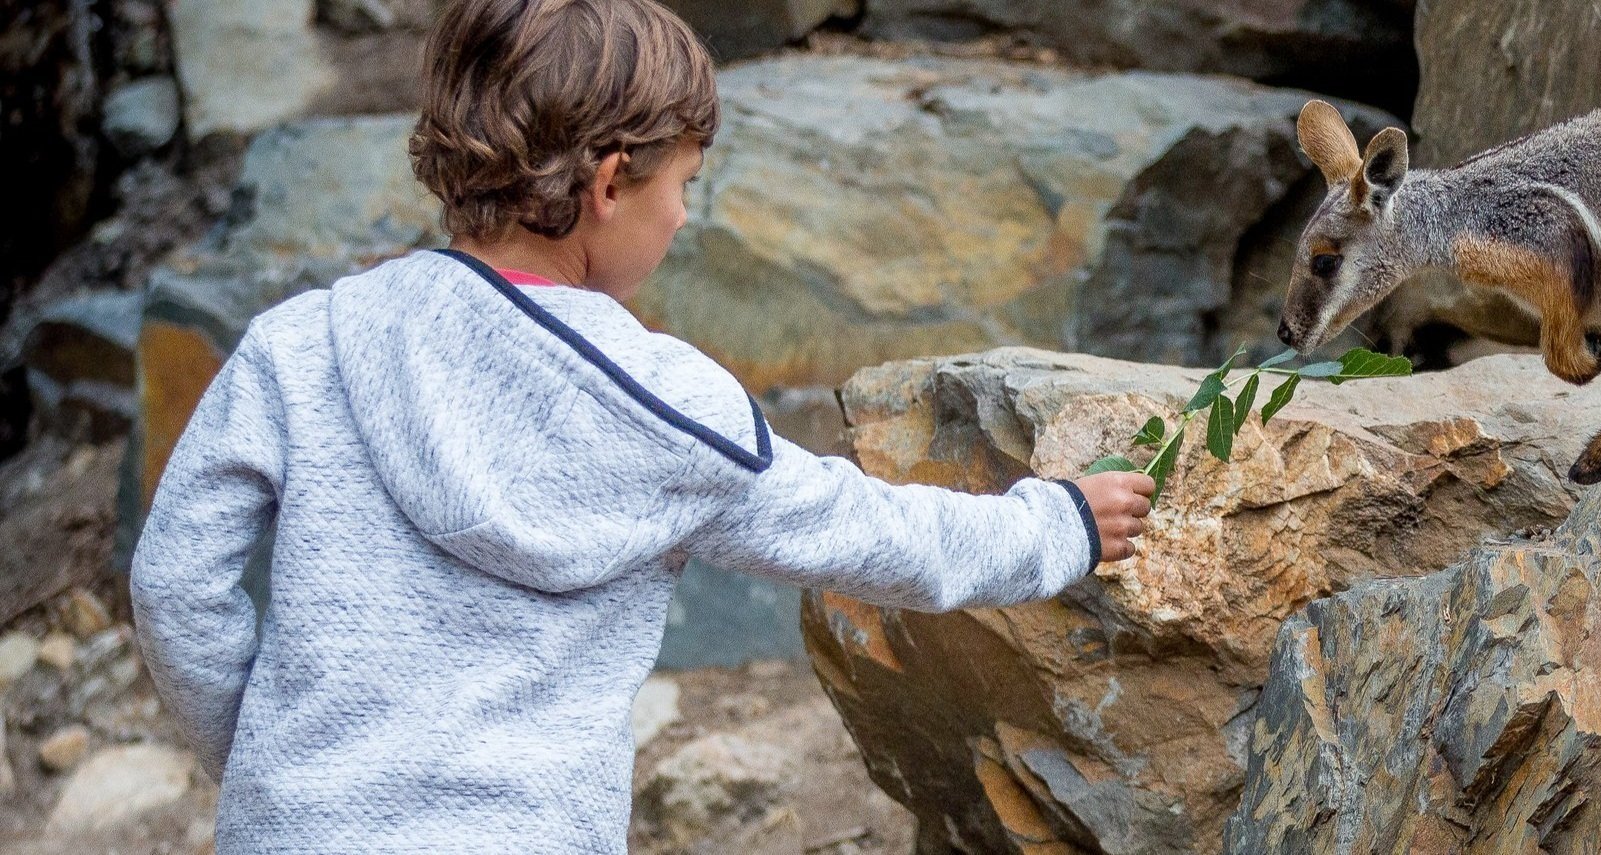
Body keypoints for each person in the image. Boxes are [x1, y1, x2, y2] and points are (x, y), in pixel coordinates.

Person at [127, 0, 1155, 849]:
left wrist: (267, 765)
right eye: (685, 189)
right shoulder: (664, 404)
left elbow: (174, 583)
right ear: (612, 184)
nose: (680, 217)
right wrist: (1053, 526)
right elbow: (871, 536)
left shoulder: (302, 343)